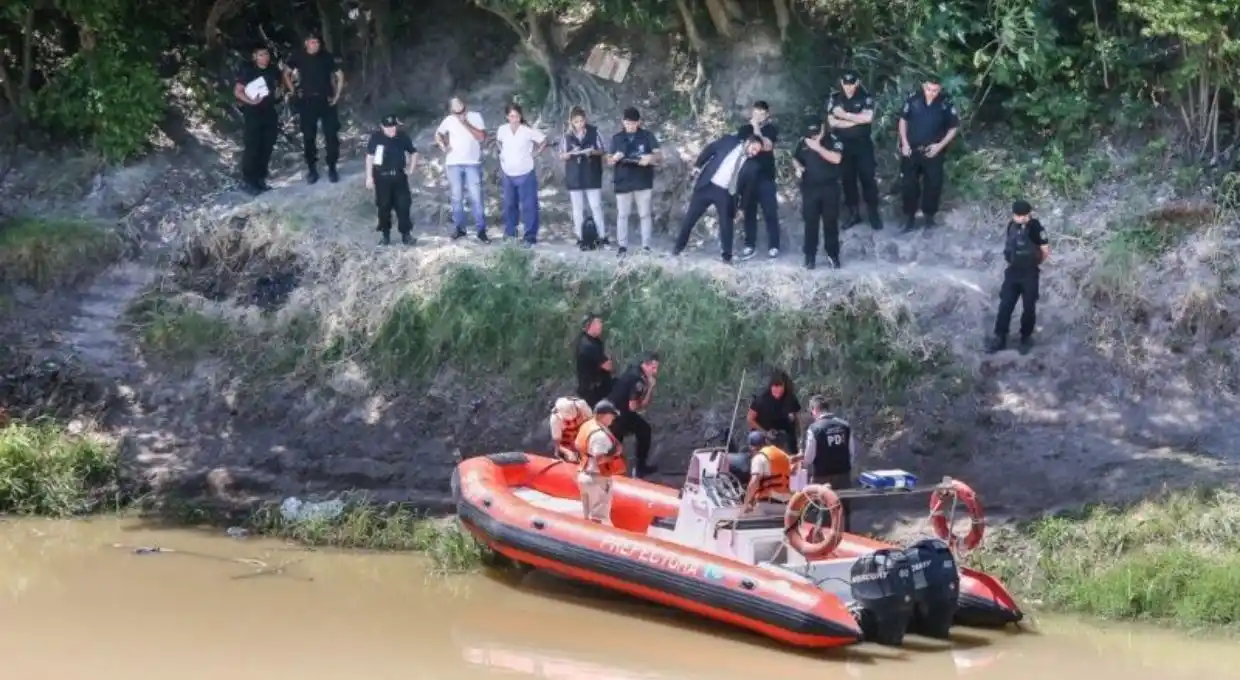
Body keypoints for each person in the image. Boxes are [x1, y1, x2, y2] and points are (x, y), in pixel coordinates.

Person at [672, 134, 763, 264]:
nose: (754, 153)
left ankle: (727, 257)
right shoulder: (729, 141)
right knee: (690, 218)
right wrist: (698, 166)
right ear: (748, 142)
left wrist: (742, 208)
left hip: (726, 193)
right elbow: (709, 149)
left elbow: (748, 189)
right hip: (707, 185)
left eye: (757, 152)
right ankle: (677, 248)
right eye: (753, 149)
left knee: (726, 225)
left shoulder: (752, 165)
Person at [987, 200, 1050, 354]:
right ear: (1014, 215)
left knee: (1029, 307)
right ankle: (1000, 337)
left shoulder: (1036, 227)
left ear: (1029, 214)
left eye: (1024, 215)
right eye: (1018, 216)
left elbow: (1045, 250)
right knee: (1005, 305)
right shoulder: (1011, 226)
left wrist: (1035, 263)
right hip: (1013, 272)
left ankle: (1026, 337)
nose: (1021, 218)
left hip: (1029, 274)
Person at [897, 75, 959, 231]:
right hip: (912, 150)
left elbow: (953, 128)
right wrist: (904, 142)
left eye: (935, 90)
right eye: (929, 89)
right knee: (909, 185)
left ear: (940, 89)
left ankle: (929, 218)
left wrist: (939, 146)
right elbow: (903, 120)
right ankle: (909, 218)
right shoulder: (913, 100)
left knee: (933, 185)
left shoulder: (945, 104)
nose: (932, 93)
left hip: (933, 151)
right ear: (924, 87)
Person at [282, 33, 344, 185]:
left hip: (326, 100)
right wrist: (293, 91)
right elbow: (286, 73)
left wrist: (337, 95)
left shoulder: (326, 56)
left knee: (331, 135)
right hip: (307, 101)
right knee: (309, 136)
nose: (315, 45)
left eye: (317, 42)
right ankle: (312, 169)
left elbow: (340, 74)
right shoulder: (298, 56)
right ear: (306, 43)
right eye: (312, 42)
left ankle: (332, 167)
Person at [827, 72, 882, 231]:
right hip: (843, 146)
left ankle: (873, 214)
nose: (848, 87)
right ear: (841, 83)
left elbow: (868, 118)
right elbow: (832, 122)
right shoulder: (835, 97)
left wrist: (844, 116)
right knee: (848, 181)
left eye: (851, 83)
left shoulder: (865, 97)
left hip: (863, 145)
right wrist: (855, 120)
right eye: (846, 83)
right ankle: (853, 214)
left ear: (857, 83)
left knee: (868, 179)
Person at [608, 107, 662, 256]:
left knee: (644, 214)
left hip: (642, 180)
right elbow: (608, 160)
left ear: (638, 122)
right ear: (623, 122)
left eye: (633, 123)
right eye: (627, 123)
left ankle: (645, 246)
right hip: (623, 180)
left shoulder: (647, 136)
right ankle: (622, 246)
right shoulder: (617, 138)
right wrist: (614, 158)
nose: (630, 126)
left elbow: (659, 156)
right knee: (622, 215)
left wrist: (649, 158)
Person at [435, 97, 490, 243]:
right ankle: (460, 229)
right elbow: (438, 134)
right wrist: (443, 146)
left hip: (472, 163)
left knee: (476, 197)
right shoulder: (448, 120)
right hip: (453, 163)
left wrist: (465, 123)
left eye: (462, 111)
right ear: (451, 111)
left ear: (465, 107)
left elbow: (482, 137)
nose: (459, 114)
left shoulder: (475, 117)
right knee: (456, 198)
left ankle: (481, 231)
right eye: (456, 112)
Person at [801, 395, 858, 531]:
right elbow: (852, 451)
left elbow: (809, 457)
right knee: (843, 510)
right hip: (843, 475)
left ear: (814, 410)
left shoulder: (814, 429)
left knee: (823, 510)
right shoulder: (845, 425)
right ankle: (846, 539)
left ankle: (824, 542)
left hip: (822, 477)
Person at [793, 120, 845, 270]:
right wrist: (798, 167)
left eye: (816, 133)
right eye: (811, 135)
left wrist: (818, 148)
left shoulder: (833, 139)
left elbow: (837, 158)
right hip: (809, 188)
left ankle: (833, 255)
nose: (813, 137)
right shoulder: (803, 141)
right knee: (810, 223)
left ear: (823, 128)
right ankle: (810, 256)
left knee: (830, 223)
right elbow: (796, 158)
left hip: (830, 187)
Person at [496, 103, 547, 246]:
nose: (515, 119)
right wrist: (502, 153)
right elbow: (499, 142)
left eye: (517, 116)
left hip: (525, 172)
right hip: (508, 173)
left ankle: (530, 236)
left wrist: (535, 153)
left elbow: (543, 140)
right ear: (507, 117)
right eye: (512, 116)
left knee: (529, 205)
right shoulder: (502, 130)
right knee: (510, 204)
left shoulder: (527, 131)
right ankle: (511, 234)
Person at [234, 45, 282, 195]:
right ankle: (249, 180)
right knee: (252, 145)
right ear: (255, 57)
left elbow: (279, 85)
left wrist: (279, 93)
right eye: (261, 55)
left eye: (266, 54)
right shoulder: (248, 70)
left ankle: (261, 179)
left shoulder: (273, 70)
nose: (265, 57)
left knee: (267, 145)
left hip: (269, 111)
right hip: (253, 113)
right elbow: (238, 91)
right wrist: (251, 101)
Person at [736, 101, 780, 260]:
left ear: (767, 115)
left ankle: (774, 246)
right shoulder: (744, 129)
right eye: (756, 112)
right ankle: (750, 245)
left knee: (770, 211)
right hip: (748, 179)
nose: (758, 116)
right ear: (752, 112)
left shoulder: (771, 129)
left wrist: (756, 128)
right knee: (749, 212)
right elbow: (740, 150)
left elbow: (766, 146)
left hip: (765, 177)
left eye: (762, 113)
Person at [364, 114, 418, 246]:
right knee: (383, 207)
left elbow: (413, 152)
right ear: (382, 127)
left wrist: (411, 169)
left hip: (399, 176)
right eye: (388, 127)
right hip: (382, 177)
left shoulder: (402, 137)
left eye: (393, 126)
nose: (391, 129)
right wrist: (369, 177)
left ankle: (406, 235)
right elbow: (370, 157)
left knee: (403, 206)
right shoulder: (376, 138)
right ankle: (385, 235)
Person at [561, 107, 608, 248]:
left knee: (596, 206)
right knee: (577, 208)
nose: (580, 124)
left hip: (591, 173)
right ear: (571, 122)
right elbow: (562, 155)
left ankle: (602, 235)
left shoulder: (594, 131)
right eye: (576, 122)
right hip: (574, 174)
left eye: (582, 121)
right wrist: (568, 154)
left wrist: (592, 152)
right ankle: (580, 237)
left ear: (585, 120)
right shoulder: (567, 136)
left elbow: (602, 150)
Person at [607, 352, 660, 478]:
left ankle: (617, 469)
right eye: (653, 368)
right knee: (642, 430)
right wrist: (651, 388)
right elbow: (634, 406)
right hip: (619, 414)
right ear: (645, 365)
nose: (655, 371)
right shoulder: (639, 381)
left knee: (641, 430)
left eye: (656, 368)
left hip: (611, 410)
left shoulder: (634, 370)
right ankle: (638, 469)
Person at [575, 400, 625, 524]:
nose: (613, 418)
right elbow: (600, 459)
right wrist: (614, 454)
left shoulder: (588, 425)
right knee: (598, 518)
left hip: (584, 475)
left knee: (587, 517)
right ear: (603, 415)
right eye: (611, 415)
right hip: (597, 479)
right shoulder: (600, 436)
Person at [746, 369, 802, 454]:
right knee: (754, 437)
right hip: (763, 432)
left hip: (783, 433)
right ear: (771, 386)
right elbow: (750, 419)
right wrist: (765, 433)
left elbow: (798, 418)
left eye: (780, 386)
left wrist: (800, 436)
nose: (777, 389)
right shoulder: (761, 400)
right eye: (775, 386)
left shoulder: (790, 398)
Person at [742, 430, 793, 513]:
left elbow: (754, 482)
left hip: (768, 505)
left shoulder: (759, 457)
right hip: (786, 505)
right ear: (766, 442)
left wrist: (745, 504)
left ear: (752, 447)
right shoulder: (784, 455)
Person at [574, 312, 614, 407]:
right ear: (590, 325)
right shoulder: (588, 345)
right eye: (598, 323)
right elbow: (607, 366)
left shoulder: (591, 340)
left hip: (599, 388)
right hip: (593, 392)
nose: (601, 326)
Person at [549, 396, 593, 463]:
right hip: (569, 443)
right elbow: (557, 444)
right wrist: (568, 452)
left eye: (576, 417)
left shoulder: (582, 405)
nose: (572, 423)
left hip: (584, 435)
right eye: (568, 421)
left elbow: (593, 423)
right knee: (571, 458)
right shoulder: (555, 419)